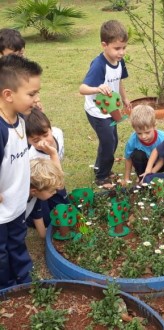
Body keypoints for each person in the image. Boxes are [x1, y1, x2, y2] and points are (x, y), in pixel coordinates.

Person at [0, 54, 42, 289]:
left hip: (16, 204)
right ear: (8, 94)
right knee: (1, 253)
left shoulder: (20, 120)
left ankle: (25, 280)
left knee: (17, 242)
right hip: (1, 210)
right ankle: (5, 289)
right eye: (31, 94)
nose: (36, 99)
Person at [79, 20, 131, 186]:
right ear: (104, 45)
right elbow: (82, 89)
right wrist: (98, 88)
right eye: (117, 48)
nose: (121, 52)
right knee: (109, 142)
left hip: (111, 109)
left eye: (124, 47)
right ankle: (102, 177)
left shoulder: (119, 61)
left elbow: (119, 82)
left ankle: (98, 167)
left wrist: (125, 98)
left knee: (111, 140)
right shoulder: (99, 65)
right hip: (96, 111)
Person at [25, 108, 68, 231]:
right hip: (41, 188)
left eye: (45, 135)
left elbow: (59, 183)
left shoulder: (58, 133)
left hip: (54, 181)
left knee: (64, 208)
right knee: (49, 220)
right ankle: (30, 219)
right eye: (36, 140)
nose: (43, 142)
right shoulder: (32, 158)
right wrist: (53, 154)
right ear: (27, 140)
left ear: (50, 129)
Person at [124, 104, 164, 183]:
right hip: (144, 163)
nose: (143, 136)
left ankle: (149, 176)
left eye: (147, 132)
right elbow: (128, 159)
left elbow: (162, 160)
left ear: (154, 126)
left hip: (160, 163)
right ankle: (141, 176)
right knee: (137, 155)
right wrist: (126, 178)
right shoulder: (133, 139)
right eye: (139, 133)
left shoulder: (162, 138)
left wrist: (150, 174)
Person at [26, 158, 65, 239]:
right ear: (34, 191)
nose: (55, 193)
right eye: (52, 191)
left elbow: (37, 215)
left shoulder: (36, 196)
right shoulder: (19, 201)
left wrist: (45, 236)